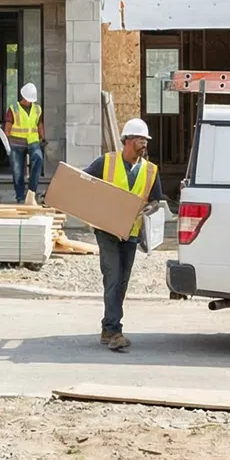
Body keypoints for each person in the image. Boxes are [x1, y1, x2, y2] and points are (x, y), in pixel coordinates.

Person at [81, 118, 163, 352]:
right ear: (126, 141)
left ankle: (108, 327)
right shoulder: (106, 162)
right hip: (106, 231)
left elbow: (156, 200)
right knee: (113, 277)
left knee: (122, 281)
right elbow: (83, 183)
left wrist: (151, 208)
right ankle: (115, 331)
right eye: (139, 139)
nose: (143, 143)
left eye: (145, 139)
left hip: (131, 233)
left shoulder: (150, 170)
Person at [4, 82, 45, 203]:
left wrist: (42, 137)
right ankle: (20, 197)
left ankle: (31, 194)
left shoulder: (37, 109)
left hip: (33, 142)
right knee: (17, 171)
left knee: (38, 158)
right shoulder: (13, 109)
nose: (30, 101)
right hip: (16, 143)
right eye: (28, 99)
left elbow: (39, 124)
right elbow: (8, 128)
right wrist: (7, 141)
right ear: (23, 97)